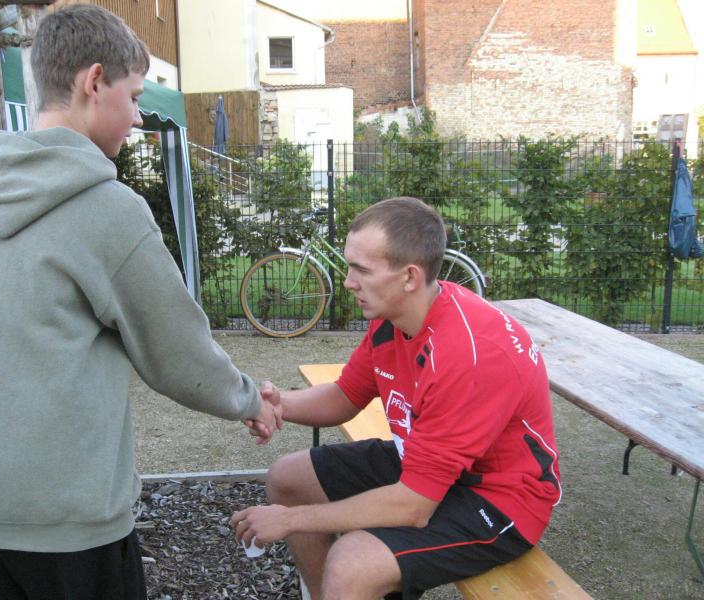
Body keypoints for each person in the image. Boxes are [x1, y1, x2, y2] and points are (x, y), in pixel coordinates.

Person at [0, 5, 280, 600]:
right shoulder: (108, 210)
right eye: (134, 96)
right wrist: (248, 399)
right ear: (94, 81)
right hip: (73, 515)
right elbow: (175, 350)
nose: (137, 117)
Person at [233, 197, 561, 600]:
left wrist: (290, 520)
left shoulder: (467, 354)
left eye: (361, 269)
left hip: (498, 498)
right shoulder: (394, 318)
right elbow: (344, 396)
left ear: (409, 277)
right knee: (289, 478)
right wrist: (276, 403)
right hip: (429, 465)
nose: (349, 282)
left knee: (352, 563)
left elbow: (413, 506)